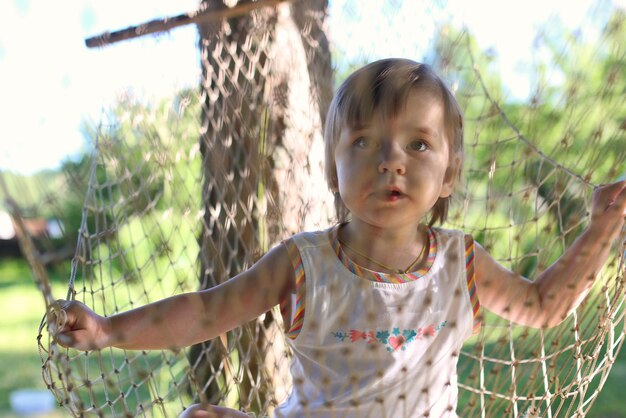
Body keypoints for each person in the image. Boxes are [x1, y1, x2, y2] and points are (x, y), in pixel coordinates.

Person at [52, 59, 626, 418]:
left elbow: (544, 305)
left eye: (418, 145)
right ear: (333, 171)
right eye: (365, 143)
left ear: (450, 174)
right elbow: (206, 313)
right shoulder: (304, 264)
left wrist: (604, 224)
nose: (391, 163)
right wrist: (108, 331)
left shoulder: (463, 263)